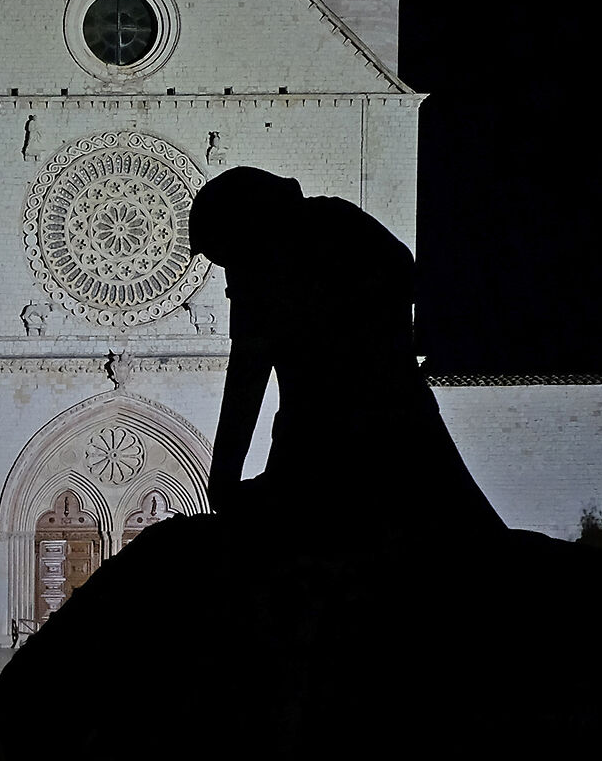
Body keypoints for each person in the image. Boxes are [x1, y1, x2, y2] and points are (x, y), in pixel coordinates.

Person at [189, 167, 501, 540]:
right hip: (397, 413)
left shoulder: (265, 262)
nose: (226, 272)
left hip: (327, 433)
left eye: (223, 256)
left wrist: (222, 477)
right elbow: (407, 274)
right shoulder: (339, 220)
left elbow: (246, 377)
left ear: (243, 229)